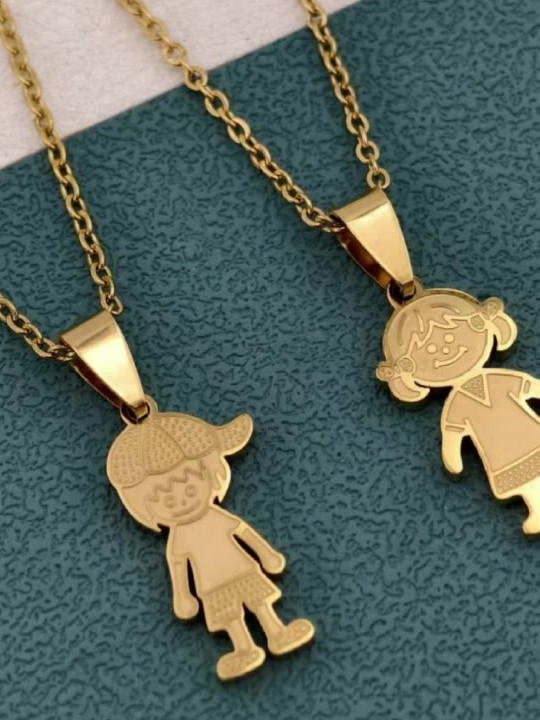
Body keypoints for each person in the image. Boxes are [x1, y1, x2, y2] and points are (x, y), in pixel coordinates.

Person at [107, 400, 314, 680]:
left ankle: (277, 632)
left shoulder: (216, 517)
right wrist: (183, 595)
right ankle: (243, 648)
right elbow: (177, 565)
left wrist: (267, 555)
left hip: (242, 570)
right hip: (212, 586)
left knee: (260, 603)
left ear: (210, 474)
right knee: (230, 618)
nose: (182, 501)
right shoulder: (179, 536)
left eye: (190, 489)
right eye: (167, 500)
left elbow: (244, 533)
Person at [376, 288, 540, 534]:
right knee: (527, 486)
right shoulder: (457, 403)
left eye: (451, 337)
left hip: (530, 436)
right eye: (429, 351)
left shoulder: (496, 380)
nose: (444, 350)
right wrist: (453, 456)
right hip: (501, 452)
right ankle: (537, 510)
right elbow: (453, 433)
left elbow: (531, 387)